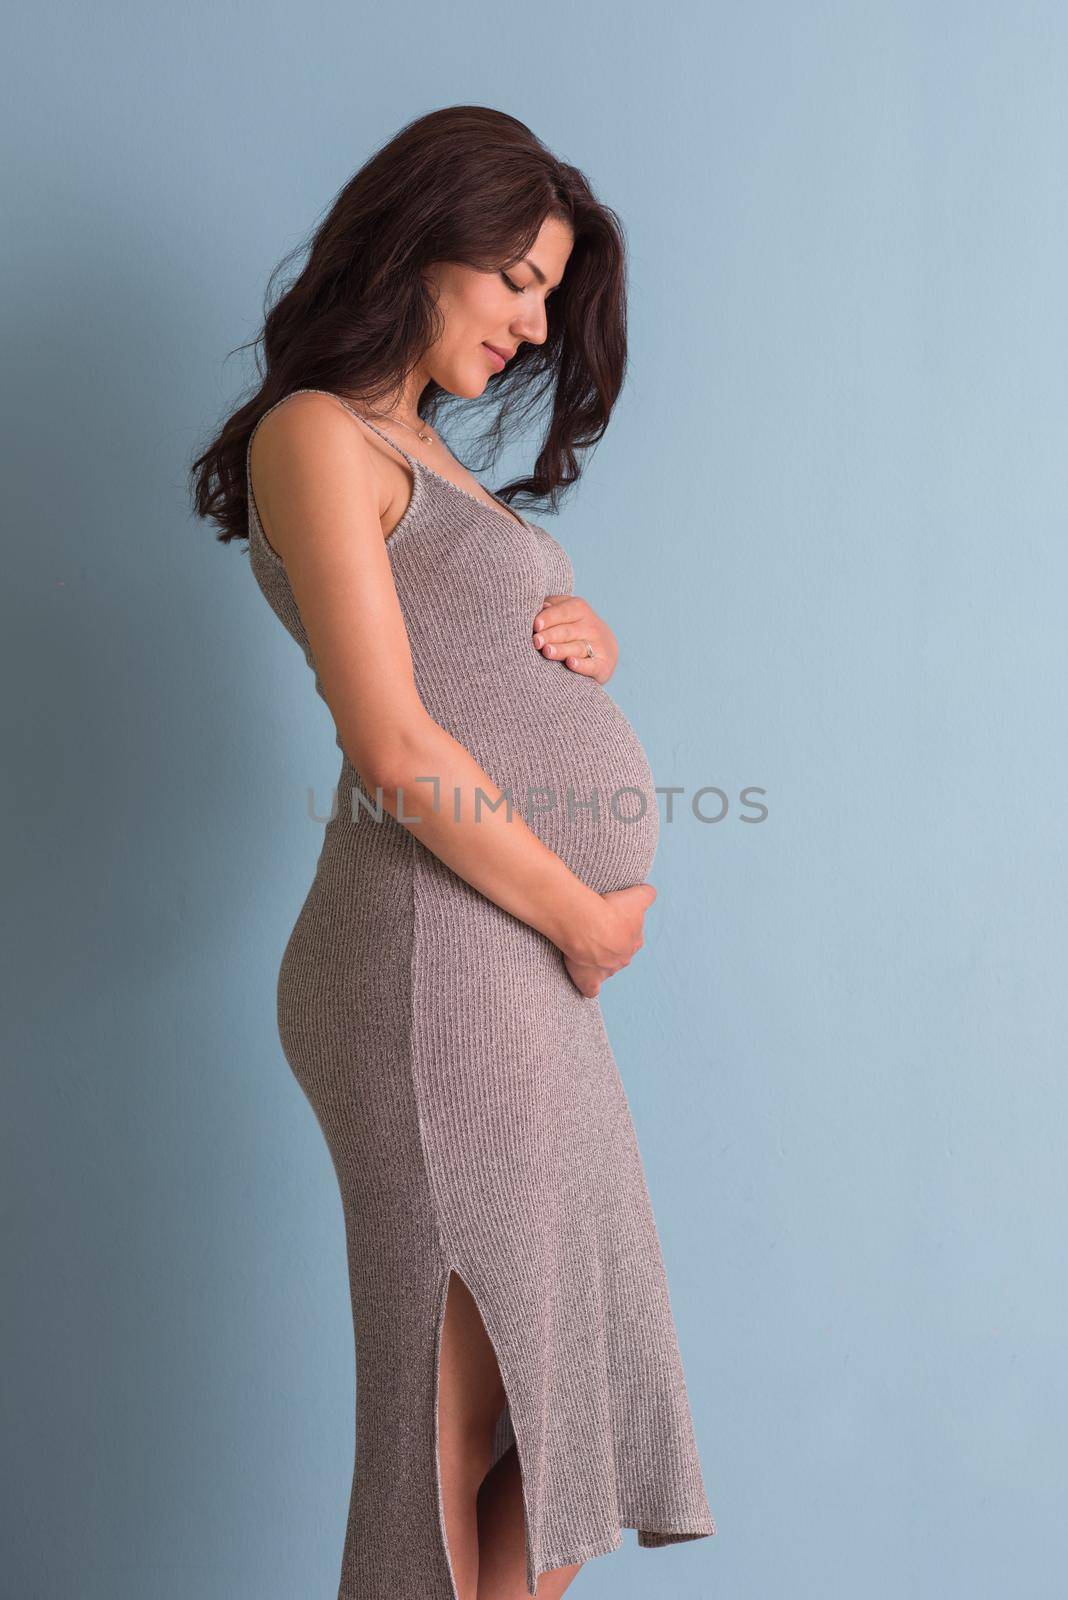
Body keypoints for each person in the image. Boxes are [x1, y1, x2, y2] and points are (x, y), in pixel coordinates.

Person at [190, 103, 716, 1600]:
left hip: (517, 964)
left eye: (551, 293)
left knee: (548, 1433)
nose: (536, 323)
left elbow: (476, 654)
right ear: (421, 243)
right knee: (462, 1419)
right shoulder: (317, 434)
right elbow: (397, 747)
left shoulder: (426, 454)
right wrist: (583, 916)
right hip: (434, 960)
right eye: (517, 279)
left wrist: (581, 642)